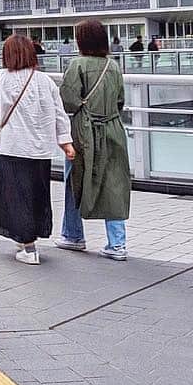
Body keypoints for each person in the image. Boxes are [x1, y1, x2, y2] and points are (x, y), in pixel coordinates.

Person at [0, 35, 74, 265]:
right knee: (36, 195)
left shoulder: (0, 78)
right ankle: (28, 242)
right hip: (40, 150)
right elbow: (59, 114)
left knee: (15, 197)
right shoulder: (45, 81)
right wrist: (65, 142)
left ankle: (28, 247)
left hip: (12, 147)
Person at [56, 17, 132, 260]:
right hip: (112, 129)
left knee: (75, 180)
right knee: (114, 184)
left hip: (83, 131)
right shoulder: (114, 66)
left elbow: (67, 99)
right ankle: (117, 244)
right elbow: (120, 101)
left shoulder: (76, 65)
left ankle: (73, 235)